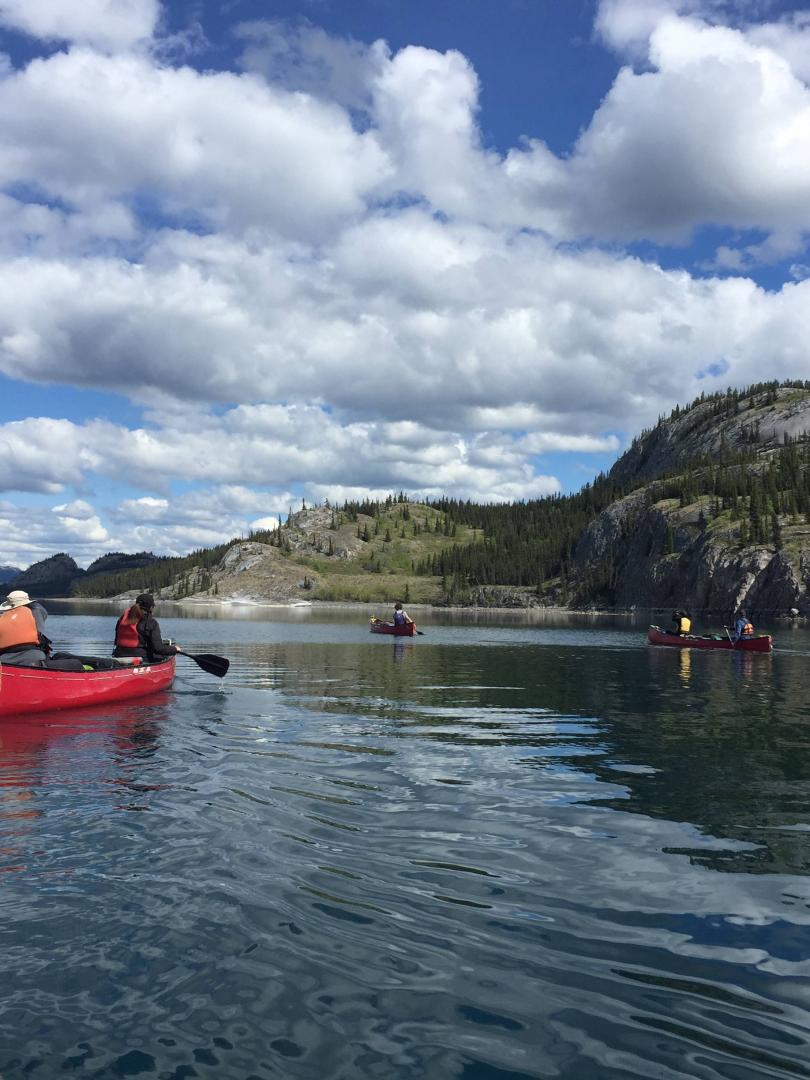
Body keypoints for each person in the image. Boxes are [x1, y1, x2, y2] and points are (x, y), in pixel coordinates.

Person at [113, 593, 183, 661]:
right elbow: (158, 648)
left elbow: (116, 640)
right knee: (163, 655)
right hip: (140, 657)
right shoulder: (151, 622)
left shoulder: (122, 619)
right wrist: (174, 649)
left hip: (119, 654)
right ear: (150, 608)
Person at [0, 590, 51, 666]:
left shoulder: (3, 617)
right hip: (34, 656)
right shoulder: (36, 611)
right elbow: (39, 630)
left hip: (5, 659)